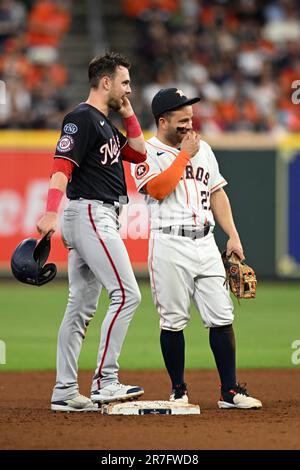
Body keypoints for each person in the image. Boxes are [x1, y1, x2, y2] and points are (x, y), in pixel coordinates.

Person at [131, 88, 262, 409]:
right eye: (182, 119)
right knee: (173, 321)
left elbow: (217, 192)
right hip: (168, 243)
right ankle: (178, 389)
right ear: (163, 121)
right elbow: (159, 190)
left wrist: (233, 234)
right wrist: (184, 156)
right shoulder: (144, 151)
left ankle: (229, 391)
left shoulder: (202, 149)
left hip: (206, 242)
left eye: (191, 118)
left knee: (222, 315)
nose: (190, 125)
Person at [37, 52, 146, 412]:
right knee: (128, 294)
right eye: (124, 82)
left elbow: (140, 153)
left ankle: (65, 390)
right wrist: (50, 213)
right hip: (89, 212)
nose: (129, 89)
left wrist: (128, 113)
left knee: (81, 307)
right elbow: (60, 167)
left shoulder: (105, 123)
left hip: (96, 215)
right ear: (105, 82)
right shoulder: (81, 118)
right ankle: (105, 381)